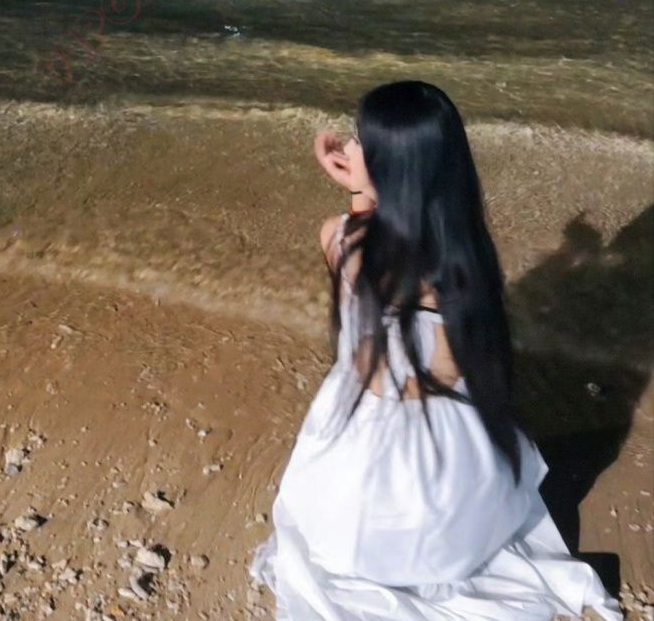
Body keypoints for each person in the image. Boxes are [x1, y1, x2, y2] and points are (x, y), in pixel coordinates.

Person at [249, 80, 623, 621]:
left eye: (359, 141)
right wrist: (371, 184)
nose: (348, 148)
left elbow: (358, 245)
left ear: (389, 169)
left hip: (374, 483)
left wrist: (357, 192)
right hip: (452, 481)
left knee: (326, 494)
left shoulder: (341, 239)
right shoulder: (466, 261)